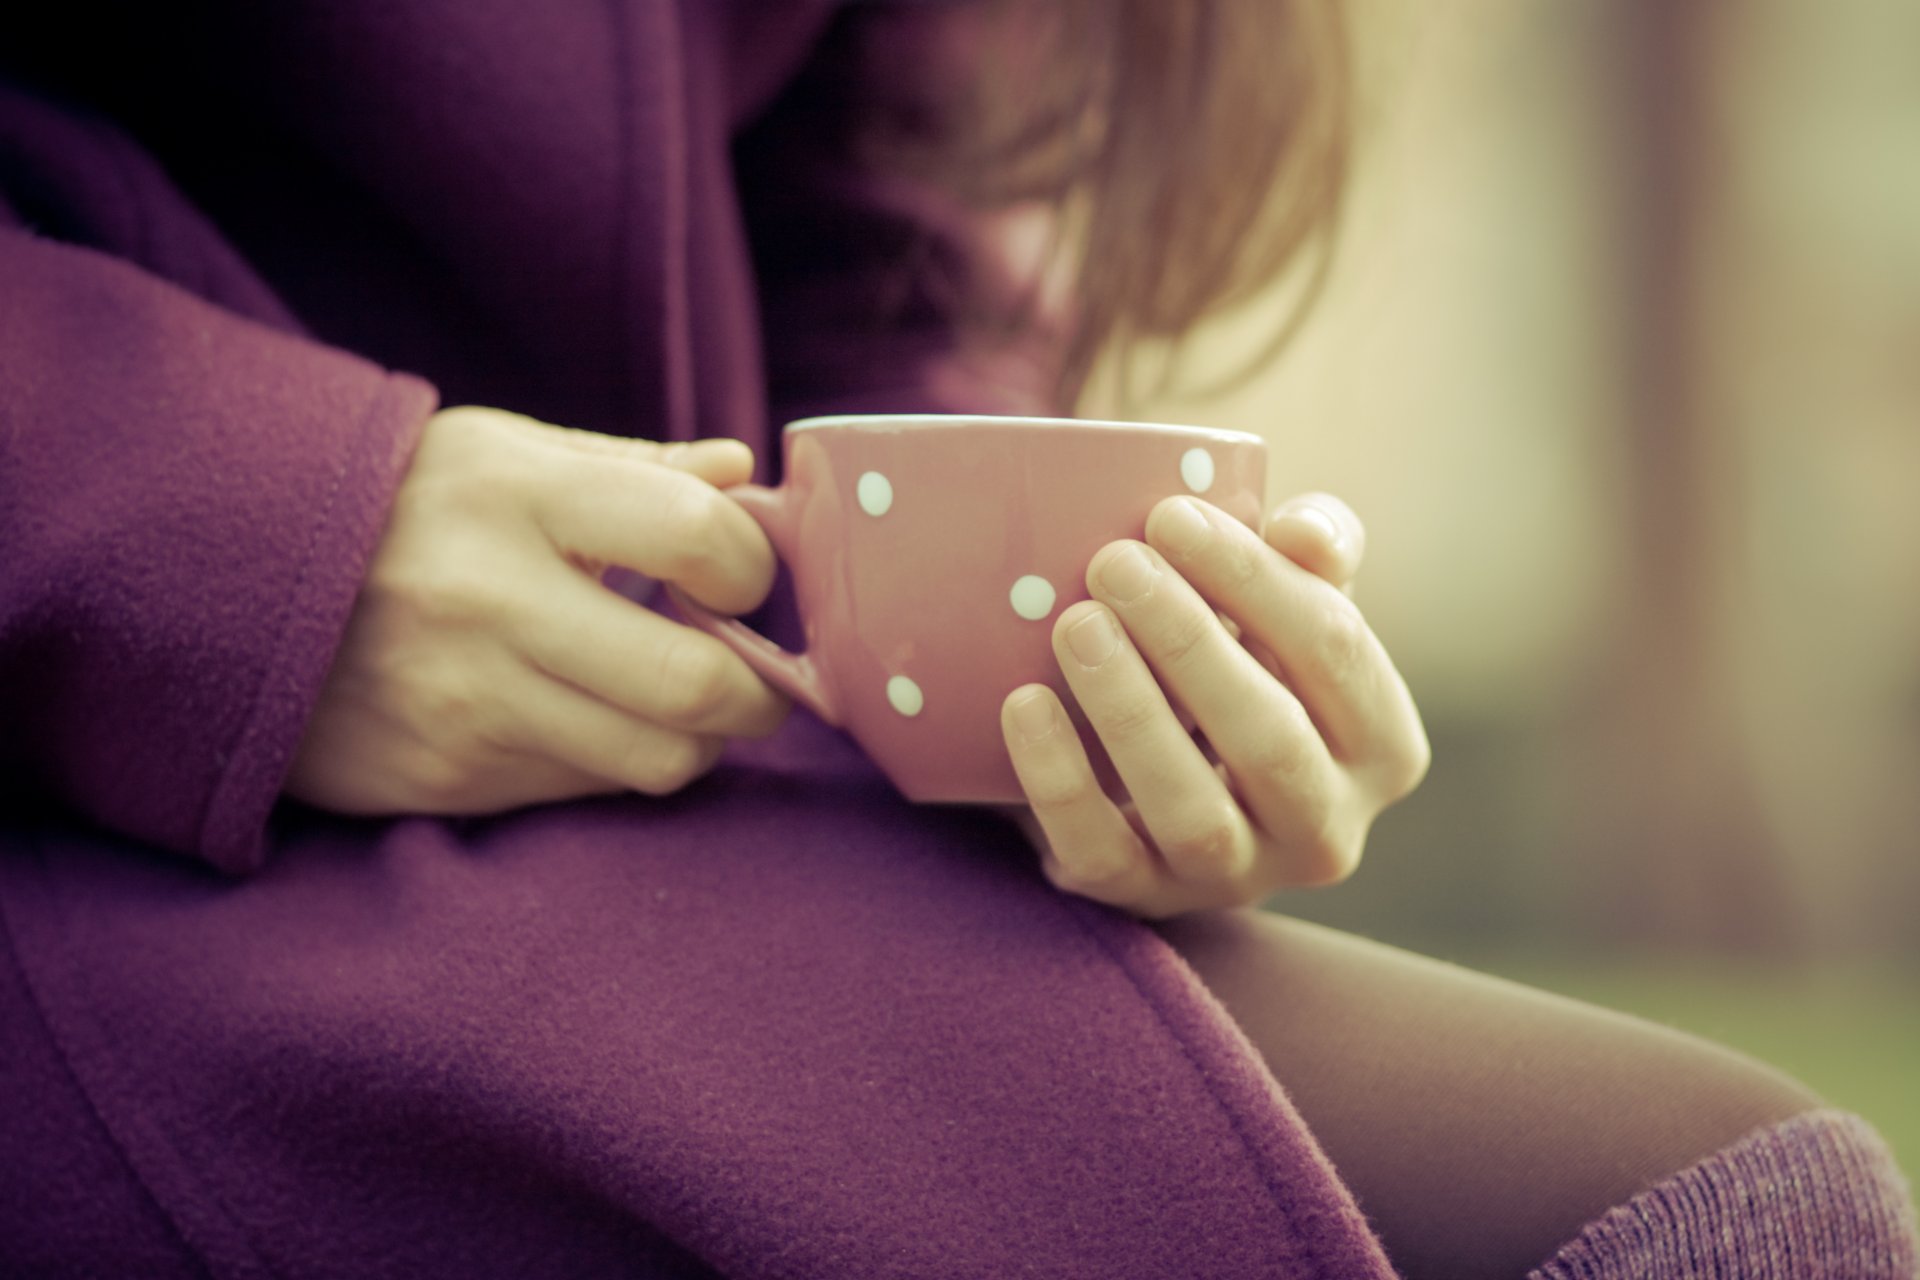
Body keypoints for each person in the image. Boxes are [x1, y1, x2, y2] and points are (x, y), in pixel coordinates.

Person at [1, 2, 1912, 1277]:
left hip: (626, 799)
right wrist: (231, 535)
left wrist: (1056, 686)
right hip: (98, 828)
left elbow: (871, 202)